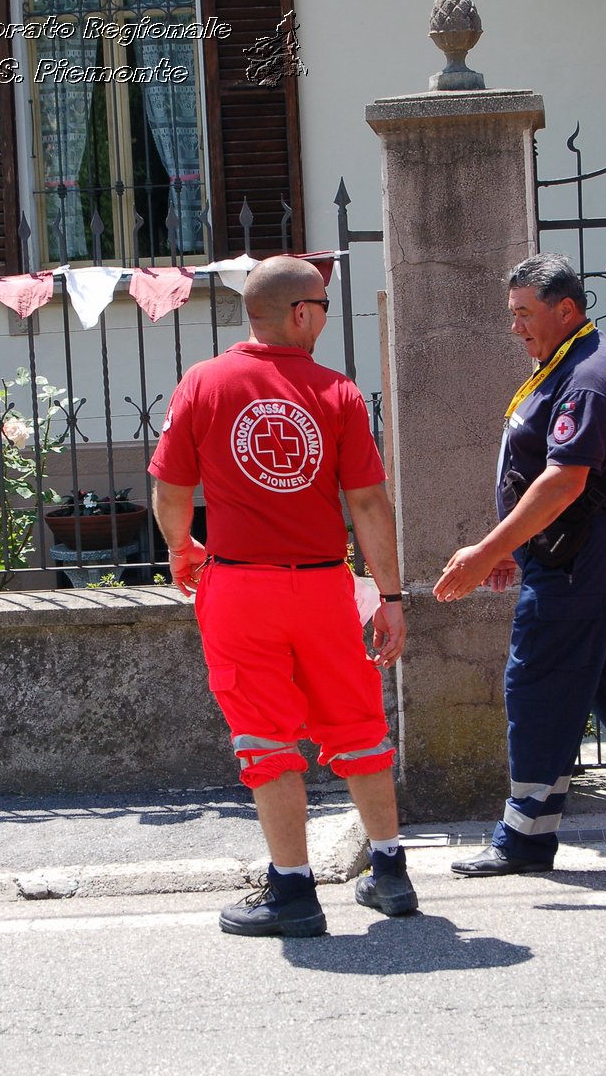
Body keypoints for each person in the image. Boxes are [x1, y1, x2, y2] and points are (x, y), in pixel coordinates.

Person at [148, 256, 418, 935]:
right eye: (323, 306)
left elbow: (171, 489)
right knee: (358, 727)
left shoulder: (203, 383)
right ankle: (389, 874)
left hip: (239, 587)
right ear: (300, 313)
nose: (325, 318)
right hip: (325, 585)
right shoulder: (339, 394)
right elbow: (370, 504)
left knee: (265, 740)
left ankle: (293, 892)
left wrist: (182, 547)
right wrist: (390, 595)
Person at [433, 252, 606, 874]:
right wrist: (517, 547)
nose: (514, 326)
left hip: (579, 558)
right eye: (511, 313)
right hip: (580, 551)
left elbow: (563, 481)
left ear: (566, 310)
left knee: (537, 683)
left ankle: (525, 836)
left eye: (523, 314)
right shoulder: (574, 359)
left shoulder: (587, 377)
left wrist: (487, 549)